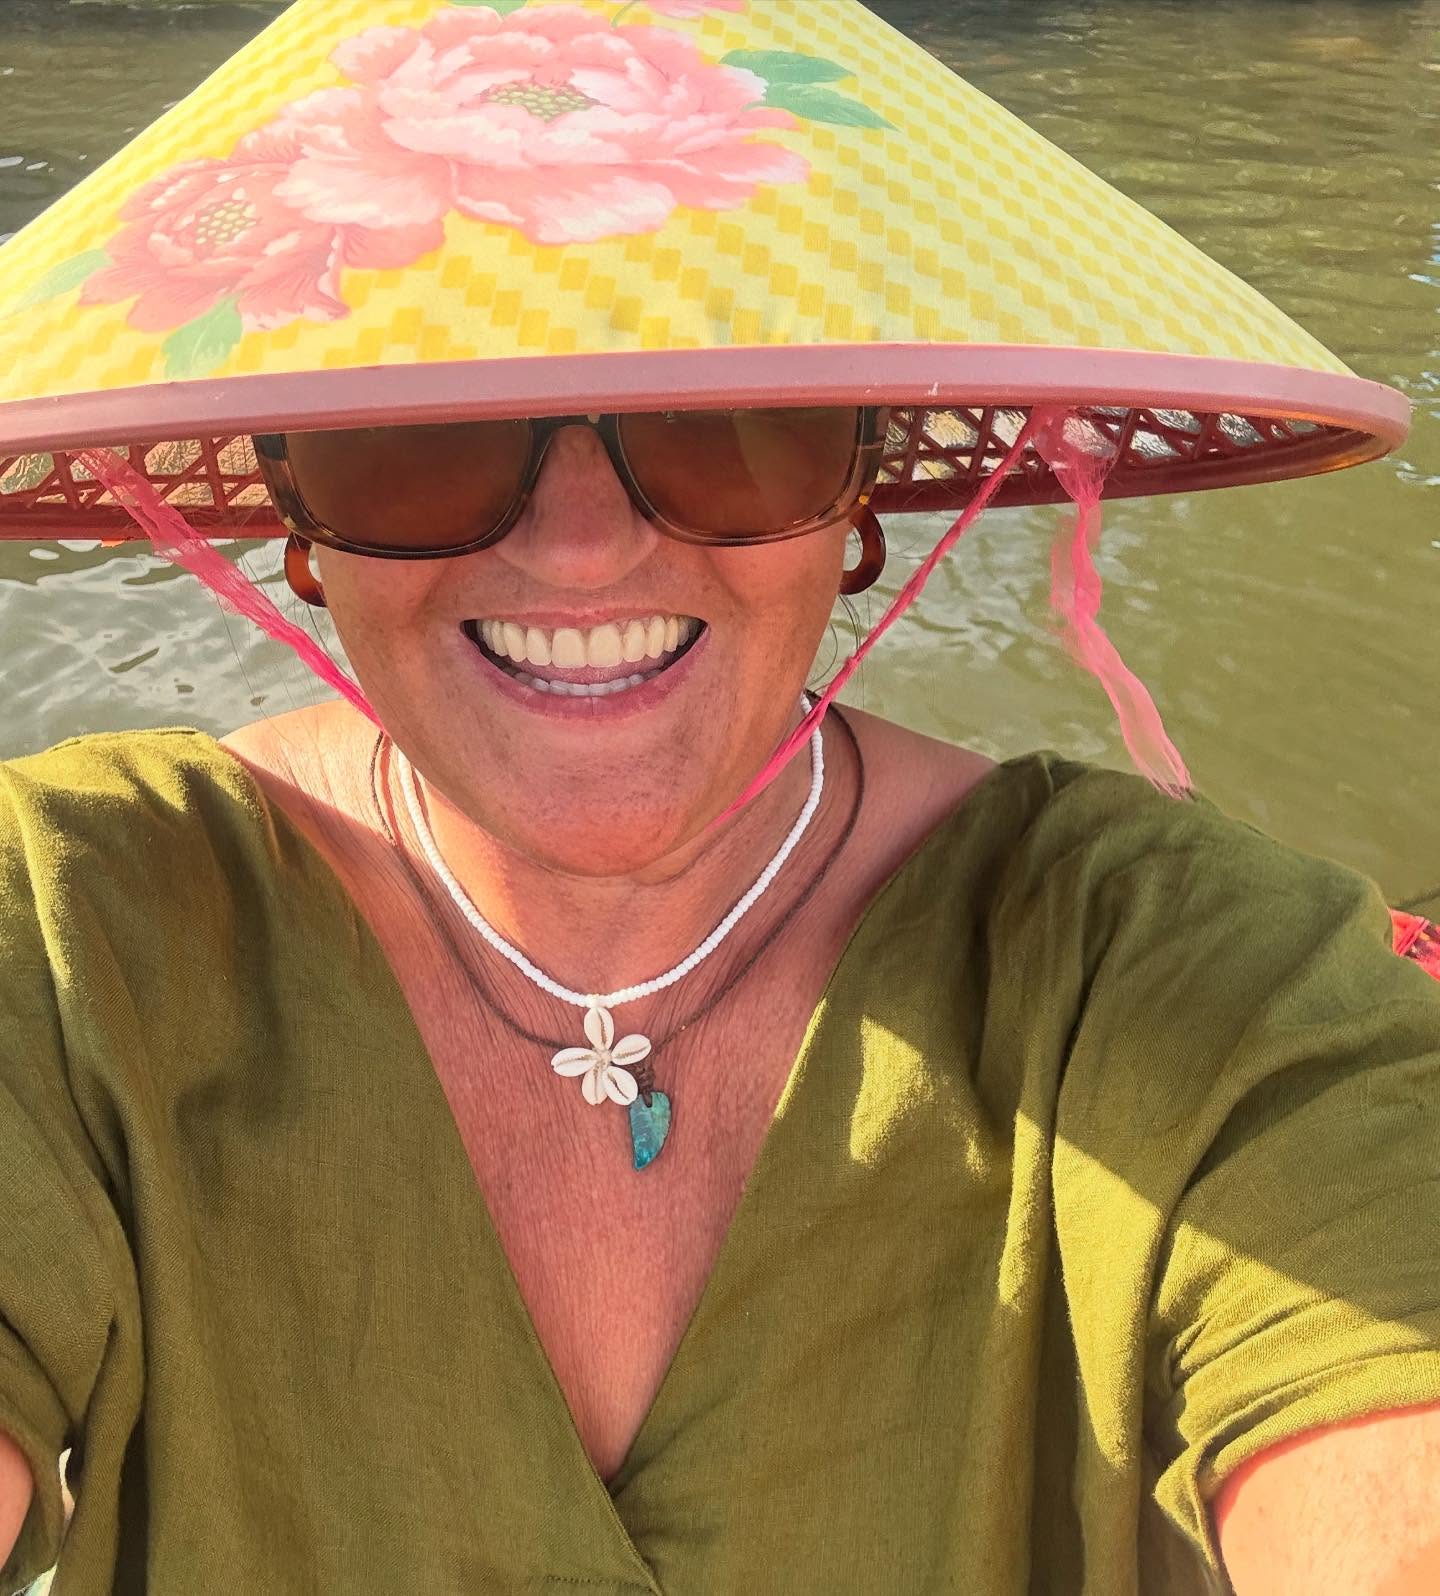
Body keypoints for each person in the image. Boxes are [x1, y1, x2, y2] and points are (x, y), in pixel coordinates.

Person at [0, 2, 1436, 1592]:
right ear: (296, 520)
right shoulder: (65, 934)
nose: (581, 547)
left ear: (863, 492)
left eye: (728, 425)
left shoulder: (1191, 977)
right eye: (411, 436)